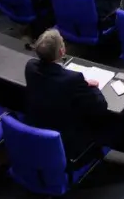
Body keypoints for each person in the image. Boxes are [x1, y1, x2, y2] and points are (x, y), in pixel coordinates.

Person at [24, 30, 111, 159]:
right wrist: (92, 86)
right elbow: (101, 105)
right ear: (61, 52)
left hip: (37, 128)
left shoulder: (30, 66)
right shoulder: (73, 79)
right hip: (65, 142)